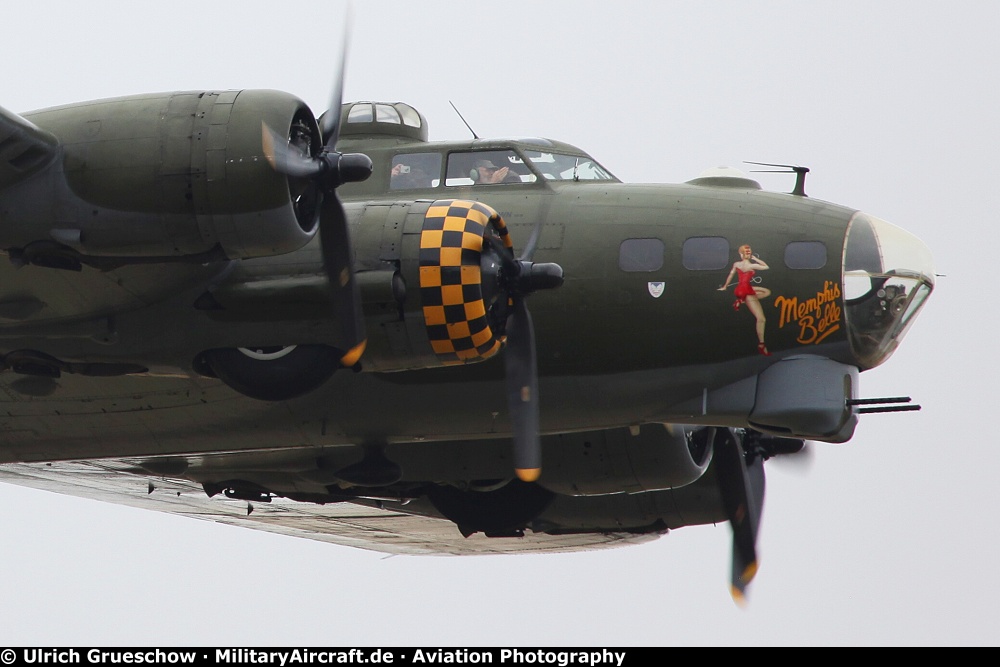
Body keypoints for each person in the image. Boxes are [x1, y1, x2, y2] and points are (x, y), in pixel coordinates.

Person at [718, 244, 772, 356]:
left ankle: (741, 300)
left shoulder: (736, 264)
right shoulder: (752, 266)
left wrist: (725, 286)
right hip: (747, 291)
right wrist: (756, 259)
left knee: (766, 291)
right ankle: (761, 344)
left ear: (740, 254)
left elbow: (731, 275)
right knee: (761, 319)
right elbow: (766, 266)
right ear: (749, 254)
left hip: (739, 290)